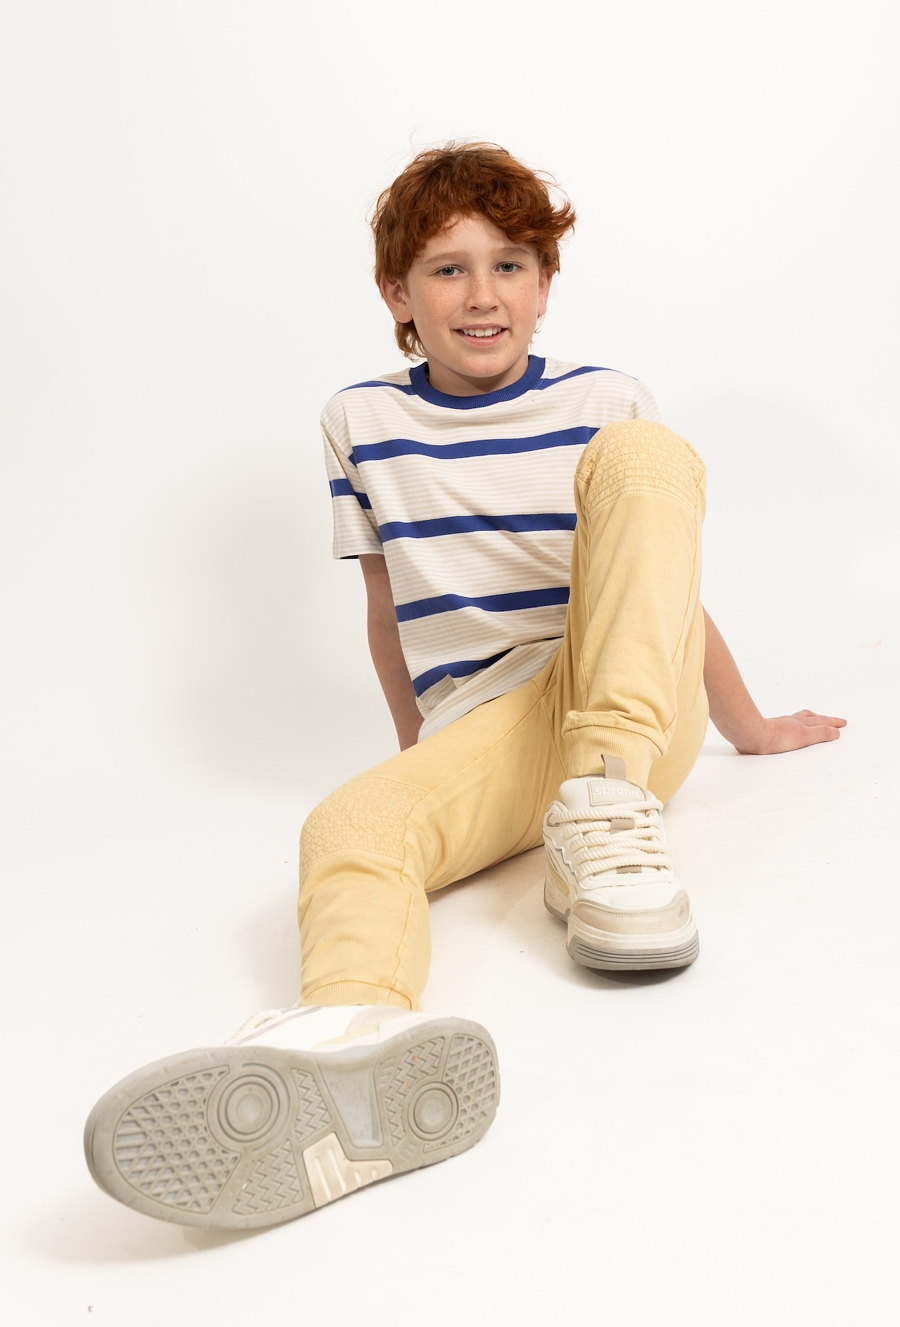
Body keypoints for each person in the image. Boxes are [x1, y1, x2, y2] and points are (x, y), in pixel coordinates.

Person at [84, 143, 845, 1231]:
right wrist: (423, 764)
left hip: (626, 705)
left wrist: (750, 725)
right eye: (448, 269)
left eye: (510, 265)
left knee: (649, 459)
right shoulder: (360, 423)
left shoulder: (609, 399)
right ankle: (346, 1052)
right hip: (494, 721)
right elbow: (385, 606)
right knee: (349, 823)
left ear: (545, 286)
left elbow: (659, 591)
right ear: (398, 294)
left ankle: (609, 810)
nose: (482, 295)